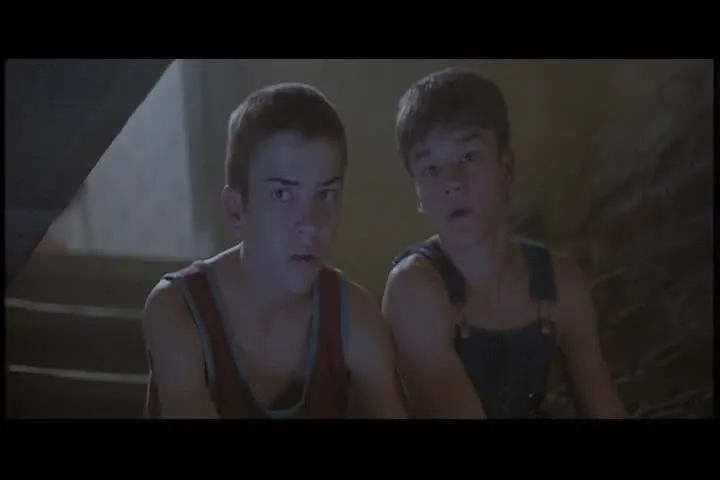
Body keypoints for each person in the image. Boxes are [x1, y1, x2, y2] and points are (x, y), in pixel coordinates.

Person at [142, 83, 406, 419]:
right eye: (283, 195)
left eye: (325, 194)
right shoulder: (178, 310)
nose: (309, 223)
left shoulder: (355, 316)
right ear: (236, 210)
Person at [381, 68, 627, 419]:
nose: (452, 182)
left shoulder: (561, 283)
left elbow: (604, 409)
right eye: (432, 169)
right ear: (418, 195)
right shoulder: (414, 290)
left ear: (506, 168)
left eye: (468, 156)